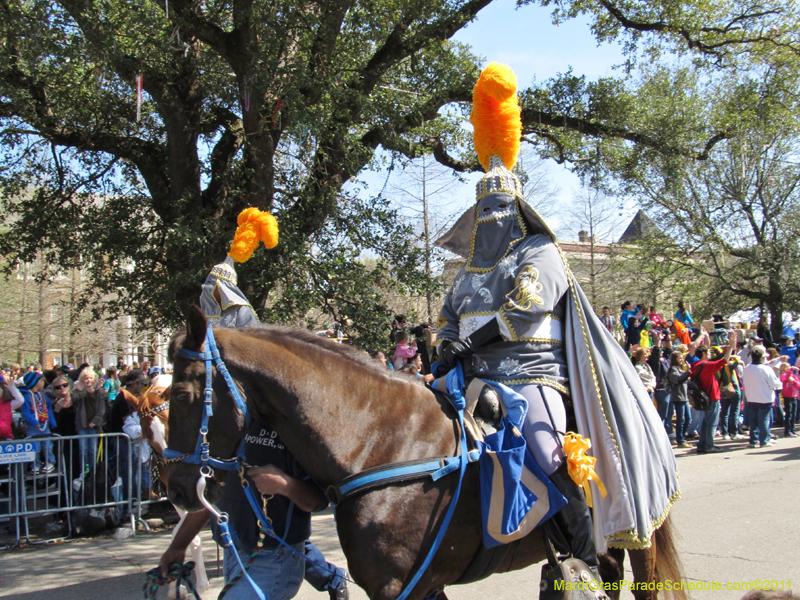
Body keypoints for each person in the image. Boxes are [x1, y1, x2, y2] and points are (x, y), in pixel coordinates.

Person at [434, 63, 677, 572]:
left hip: (532, 373)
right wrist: (447, 343)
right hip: (471, 376)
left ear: (517, 209)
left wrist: (470, 342)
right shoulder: (467, 270)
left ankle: (583, 562)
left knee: (547, 453)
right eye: (486, 212)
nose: (493, 219)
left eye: (501, 210)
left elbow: (527, 307)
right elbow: (449, 315)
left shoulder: (540, 250)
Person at [160, 208, 348, 600]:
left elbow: (318, 498)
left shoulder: (288, 421)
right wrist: (178, 545)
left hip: (275, 556)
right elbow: (210, 495)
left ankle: (332, 579)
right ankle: (332, 579)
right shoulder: (224, 430)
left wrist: (285, 485)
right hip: (235, 550)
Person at [690, 333, 737, 454]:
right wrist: (731, 347)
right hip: (711, 397)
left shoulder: (696, 365)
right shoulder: (707, 365)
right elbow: (724, 361)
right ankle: (709, 445)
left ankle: (702, 445)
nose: (710, 354)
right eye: (709, 352)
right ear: (704, 354)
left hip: (703, 397)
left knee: (705, 423)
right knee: (711, 423)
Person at [742, 346, 782, 448]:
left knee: (753, 421)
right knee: (764, 420)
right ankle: (764, 440)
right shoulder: (766, 369)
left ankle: (753, 441)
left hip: (751, 397)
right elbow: (774, 383)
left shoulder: (747, 368)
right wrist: (779, 381)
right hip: (764, 398)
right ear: (761, 358)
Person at [18, 371, 57, 473]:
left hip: (45, 425)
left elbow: (49, 409)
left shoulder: (43, 396)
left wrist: (52, 421)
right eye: (41, 381)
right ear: (34, 383)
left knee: (48, 446)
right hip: (33, 427)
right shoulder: (26, 397)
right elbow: (26, 413)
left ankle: (50, 462)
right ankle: (35, 464)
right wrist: (34, 422)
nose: (43, 383)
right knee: (35, 448)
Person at [72, 368, 108, 473]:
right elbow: (75, 399)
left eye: (91, 378)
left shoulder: (99, 392)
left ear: (94, 379)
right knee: (83, 450)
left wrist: (95, 421)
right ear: (82, 380)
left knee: (93, 450)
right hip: (82, 424)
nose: (88, 380)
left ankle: (93, 471)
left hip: (94, 425)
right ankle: (84, 471)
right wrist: (82, 390)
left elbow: (102, 410)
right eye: (86, 378)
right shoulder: (78, 391)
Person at [667, 353, 692, 448]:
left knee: (688, 419)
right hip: (678, 397)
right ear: (674, 359)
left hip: (684, 397)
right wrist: (688, 372)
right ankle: (680, 441)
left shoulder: (680, 369)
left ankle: (682, 438)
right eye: (679, 358)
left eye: (682, 358)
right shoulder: (673, 369)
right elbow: (678, 379)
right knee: (681, 420)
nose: (681, 360)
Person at [779, 363, 799, 438]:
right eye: (786, 367)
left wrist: (793, 381)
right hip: (787, 397)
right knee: (789, 414)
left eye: (789, 367)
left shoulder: (794, 376)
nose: (788, 368)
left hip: (794, 396)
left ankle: (792, 429)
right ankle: (787, 431)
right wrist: (790, 370)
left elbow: (798, 385)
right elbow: (785, 379)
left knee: (794, 414)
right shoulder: (783, 375)